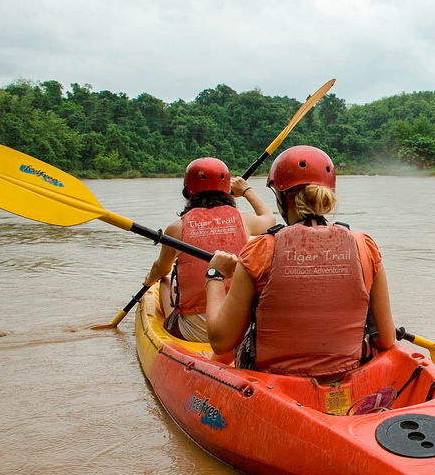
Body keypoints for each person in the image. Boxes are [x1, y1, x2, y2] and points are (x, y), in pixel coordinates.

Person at [204, 145, 396, 379]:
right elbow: (385, 339)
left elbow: (220, 342)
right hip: (346, 381)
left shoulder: (260, 250)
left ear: (283, 198)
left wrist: (215, 275)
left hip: (275, 386)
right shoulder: (365, 246)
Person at [143, 157, 274, 342]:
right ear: (227, 190)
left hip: (196, 332)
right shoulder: (243, 220)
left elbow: (161, 268)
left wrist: (150, 280)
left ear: (188, 190)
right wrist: (246, 190)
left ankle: (170, 326)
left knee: (164, 280)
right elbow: (270, 219)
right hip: (238, 326)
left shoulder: (176, 228)